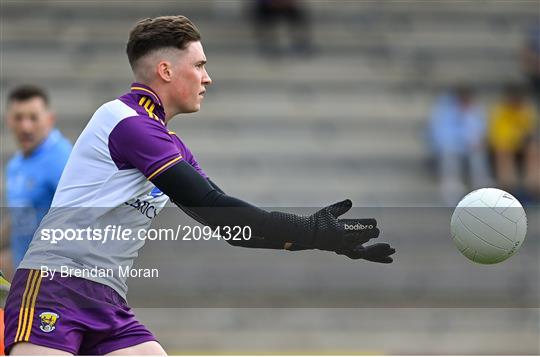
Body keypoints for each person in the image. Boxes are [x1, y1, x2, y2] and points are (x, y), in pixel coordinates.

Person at [4, 16, 395, 355]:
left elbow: (229, 225)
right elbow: (209, 202)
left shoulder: (168, 144)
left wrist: (321, 238)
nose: (208, 77)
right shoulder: (126, 121)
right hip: (55, 286)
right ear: (166, 71)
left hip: (106, 296)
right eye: (200, 65)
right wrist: (310, 230)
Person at [1, 86, 72, 277]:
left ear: (49, 119)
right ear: (8, 120)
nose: (26, 127)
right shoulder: (16, 164)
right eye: (18, 118)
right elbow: (21, 215)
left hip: (54, 280)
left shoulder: (63, 160)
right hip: (26, 279)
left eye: (33, 118)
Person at [428, 85, 492, 205]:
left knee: (478, 156)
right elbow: (440, 134)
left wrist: (477, 143)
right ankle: (452, 195)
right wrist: (459, 143)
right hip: (450, 147)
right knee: (449, 156)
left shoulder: (476, 110)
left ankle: (482, 193)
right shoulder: (445, 110)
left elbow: (481, 131)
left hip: (471, 148)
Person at [488, 84, 539, 200]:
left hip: (522, 148)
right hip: (505, 147)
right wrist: (515, 139)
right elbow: (496, 137)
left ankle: (534, 189)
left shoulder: (527, 111)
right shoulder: (499, 112)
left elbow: (531, 131)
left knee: (534, 150)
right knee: (503, 152)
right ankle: (509, 189)